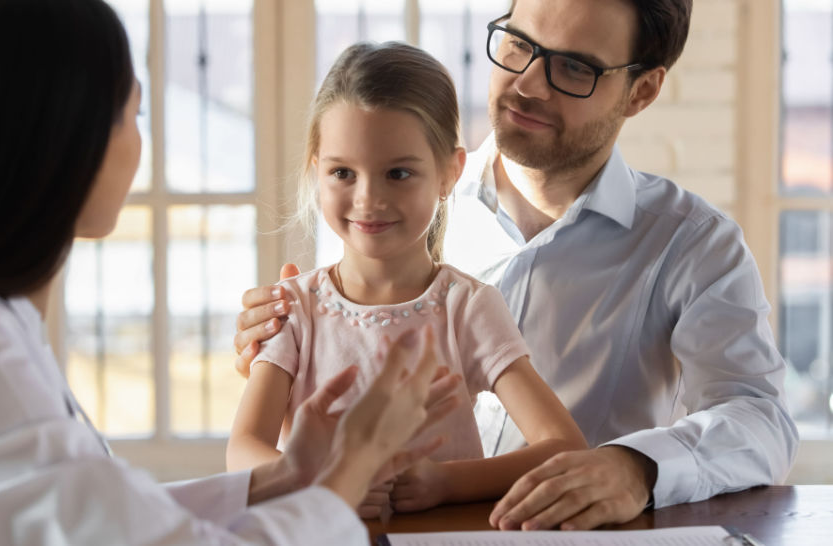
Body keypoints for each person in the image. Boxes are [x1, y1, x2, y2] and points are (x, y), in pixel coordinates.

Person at [0, 1, 462, 544]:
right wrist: (354, 465)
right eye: (134, 112)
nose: (140, 143)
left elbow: (106, 516)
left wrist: (288, 475)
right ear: (65, 137)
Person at [232, 0, 799, 531]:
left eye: (573, 67)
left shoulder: (693, 245)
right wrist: (276, 356)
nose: (526, 84)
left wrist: (639, 467)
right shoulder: (391, 200)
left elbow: (760, 420)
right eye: (517, 44)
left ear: (641, 91)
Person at [224, 42, 587, 519]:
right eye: (342, 173)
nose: (368, 199)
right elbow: (242, 452)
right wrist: (326, 485)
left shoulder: (468, 307)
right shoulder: (294, 308)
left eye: (398, 173)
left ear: (448, 174)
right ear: (317, 171)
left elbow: (564, 447)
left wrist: (445, 482)